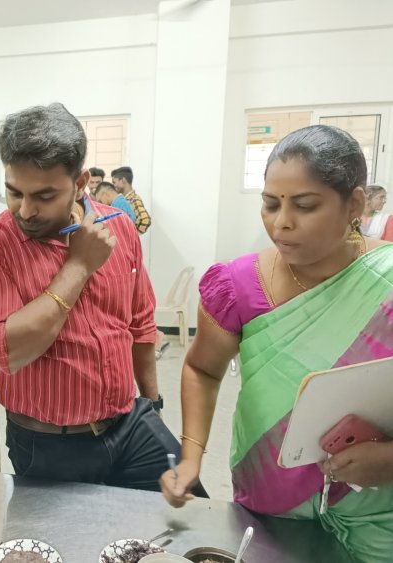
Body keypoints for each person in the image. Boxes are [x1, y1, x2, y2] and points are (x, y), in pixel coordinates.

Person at [159, 125, 393, 563]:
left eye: (305, 206)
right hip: (269, 499)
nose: (281, 223)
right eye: (270, 204)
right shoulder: (238, 286)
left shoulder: (387, 281)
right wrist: (191, 459)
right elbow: (202, 369)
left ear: (355, 205)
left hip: (377, 510)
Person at [0, 103, 195, 492]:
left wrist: (152, 405)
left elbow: (140, 324)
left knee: (190, 529)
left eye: (44, 195)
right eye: (14, 192)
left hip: (130, 425)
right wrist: (78, 266)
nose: (26, 209)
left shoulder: (119, 226)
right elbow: (7, 351)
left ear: (81, 182)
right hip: (49, 443)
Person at [111, 166, 151, 234]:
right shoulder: (124, 199)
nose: (114, 186)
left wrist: (133, 235)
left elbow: (145, 220)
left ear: (123, 180)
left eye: (114, 182)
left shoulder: (133, 199)